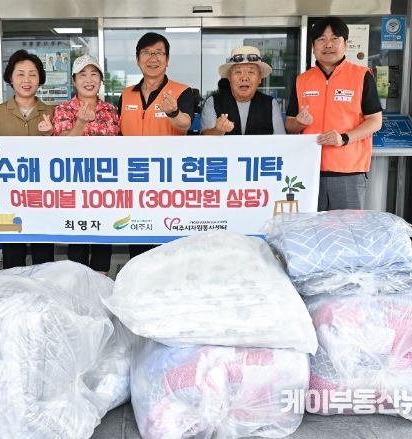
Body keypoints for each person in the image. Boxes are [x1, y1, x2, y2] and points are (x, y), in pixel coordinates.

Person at [285, 16, 383, 211]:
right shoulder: (302, 80)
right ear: (313, 47)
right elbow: (289, 125)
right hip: (309, 171)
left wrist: (344, 138)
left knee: (347, 228)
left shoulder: (361, 76)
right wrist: (299, 123)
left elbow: (375, 121)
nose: (328, 45)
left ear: (345, 44)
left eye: (334, 39)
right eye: (321, 39)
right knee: (310, 227)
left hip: (349, 172)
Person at [118, 32, 194, 258]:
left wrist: (173, 112)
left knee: (168, 245)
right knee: (138, 242)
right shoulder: (126, 95)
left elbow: (185, 124)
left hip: (169, 181)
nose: (153, 58)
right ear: (137, 59)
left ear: (167, 60)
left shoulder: (182, 92)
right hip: (134, 180)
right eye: (147, 53)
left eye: (159, 53)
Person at [0, 49, 55, 268]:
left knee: (44, 254)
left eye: (32, 74)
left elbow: (63, 154)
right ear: (10, 78)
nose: (27, 80)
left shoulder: (52, 112)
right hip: (9, 196)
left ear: (40, 79)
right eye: (20, 74)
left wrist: (51, 136)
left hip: (43, 196)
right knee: (13, 254)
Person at [53, 54, 119, 275]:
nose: (88, 80)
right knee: (78, 243)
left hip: (105, 188)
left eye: (94, 74)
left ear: (101, 80)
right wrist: (81, 123)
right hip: (75, 188)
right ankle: (78, 286)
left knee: (103, 241)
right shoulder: (63, 110)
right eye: (82, 75)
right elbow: (60, 146)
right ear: (74, 81)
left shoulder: (111, 111)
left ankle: (101, 286)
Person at [201, 46, 285, 135]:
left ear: (259, 78)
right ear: (229, 77)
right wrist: (218, 130)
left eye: (251, 72)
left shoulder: (270, 104)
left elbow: (281, 140)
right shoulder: (213, 102)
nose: (244, 78)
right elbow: (204, 139)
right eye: (238, 72)